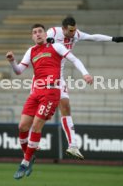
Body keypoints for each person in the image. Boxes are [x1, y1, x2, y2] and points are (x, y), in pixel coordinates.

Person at [6, 23, 93, 180]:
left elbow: (74, 59)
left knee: (36, 126)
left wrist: (85, 74)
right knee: (22, 126)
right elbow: (19, 70)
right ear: (32, 36)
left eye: (40, 31)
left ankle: (24, 163)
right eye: (34, 32)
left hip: (51, 91)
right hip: (36, 92)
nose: (38, 34)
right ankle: (29, 156)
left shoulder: (57, 47)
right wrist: (12, 61)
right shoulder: (31, 51)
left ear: (46, 34)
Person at [46, 16, 123, 160]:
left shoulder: (76, 34)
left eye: (75, 29)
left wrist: (113, 39)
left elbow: (94, 37)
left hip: (58, 77)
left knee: (66, 106)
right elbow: (39, 42)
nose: (74, 33)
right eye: (71, 30)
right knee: (41, 111)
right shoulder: (52, 33)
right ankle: (31, 139)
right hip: (43, 75)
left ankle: (73, 145)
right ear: (64, 29)